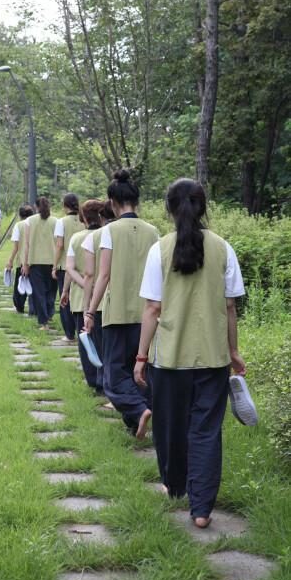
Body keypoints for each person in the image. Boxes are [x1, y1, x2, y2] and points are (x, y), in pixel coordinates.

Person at [134, 178, 246, 528]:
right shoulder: (224, 248)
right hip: (213, 359)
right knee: (207, 430)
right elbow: (229, 307)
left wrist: (141, 357)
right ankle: (201, 509)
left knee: (170, 428)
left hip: (169, 359)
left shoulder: (159, 250)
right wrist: (233, 352)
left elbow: (153, 309)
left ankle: (176, 487)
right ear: (203, 206)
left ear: (170, 209)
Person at [83, 169, 159, 439]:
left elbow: (103, 275)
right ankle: (135, 423)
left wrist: (90, 311)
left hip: (117, 313)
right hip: (148, 313)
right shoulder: (153, 231)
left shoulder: (110, 230)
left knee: (113, 378)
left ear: (112, 204)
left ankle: (139, 412)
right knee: (139, 371)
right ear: (136, 202)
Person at [60, 199, 103, 391]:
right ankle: (106, 380)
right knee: (105, 342)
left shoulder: (77, 239)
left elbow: (69, 268)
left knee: (86, 342)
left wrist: (66, 290)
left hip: (81, 301)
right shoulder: (107, 235)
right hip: (105, 299)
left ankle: (94, 382)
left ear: (83, 217)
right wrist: (96, 286)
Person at [82, 199, 116, 408]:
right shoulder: (148, 232)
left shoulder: (95, 237)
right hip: (132, 303)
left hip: (102, 301)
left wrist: (88, 308)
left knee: (104, 349)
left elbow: (90, 275)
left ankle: (106, 387)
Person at [21, 196, 58, 331]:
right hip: (53, 261)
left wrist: (25, 263)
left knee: (39, 292)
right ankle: (49, 313)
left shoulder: (29, 221)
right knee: (52, 290)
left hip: (35, 261)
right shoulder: (56, 221)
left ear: (35, 207)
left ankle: (44, 323)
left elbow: (27, 244)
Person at [52, 193, 83, 343]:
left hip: (66, 267)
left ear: (64, 205)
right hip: (84, 266)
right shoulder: (84, 220)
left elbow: (59, 246)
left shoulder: (61, 222)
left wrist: (54, 266)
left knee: (65, 300)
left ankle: (69, 334)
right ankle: (82, 331)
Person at [6, 205, 35, 315]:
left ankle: (19, 307)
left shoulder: (19, 225)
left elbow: (16, 245)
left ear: (20, 215)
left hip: (21, 260)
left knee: (20, 285)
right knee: (33, 286)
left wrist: (11, 260)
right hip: (34, 259)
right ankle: (33, 310)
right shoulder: (35, 223)